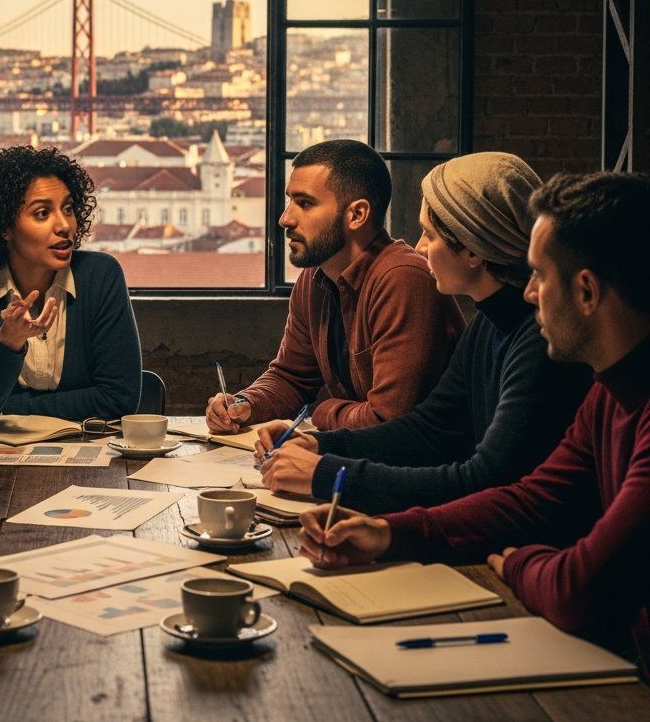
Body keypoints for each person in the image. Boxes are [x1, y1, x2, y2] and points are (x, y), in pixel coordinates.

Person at [299, 171, 650, 668]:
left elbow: (577, 590)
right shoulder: (607, 390)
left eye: (540, 276)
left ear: (587, 292)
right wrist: (388, 533)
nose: (529, 294)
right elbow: (532, 496)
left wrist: (519, 562)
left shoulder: (589, 376)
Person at [252, 153, 590, 507]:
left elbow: (486, 479)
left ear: (473, 251)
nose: (419, 248)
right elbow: (428, 430)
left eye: (429, 234)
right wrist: (321, 445)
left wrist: (327, 475)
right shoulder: (488, 325)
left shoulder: (540, 340)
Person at [206, 140, 464, 433]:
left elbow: (390, 419)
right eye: (290, 200)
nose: (285, 219)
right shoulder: (315, 276)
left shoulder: (403, 279)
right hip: (368, 460)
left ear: (357, 215)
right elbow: (292, 377)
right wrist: (244, 404)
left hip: (425, 469)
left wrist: (323, 410)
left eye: (305, 203)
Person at [0, 145, 142, 426]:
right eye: (42, 213)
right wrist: (8, 343)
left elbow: (119, 399)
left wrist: (8, 409)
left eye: (68, 209)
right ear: (3, 227)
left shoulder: (101, 275)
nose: (64, 225)